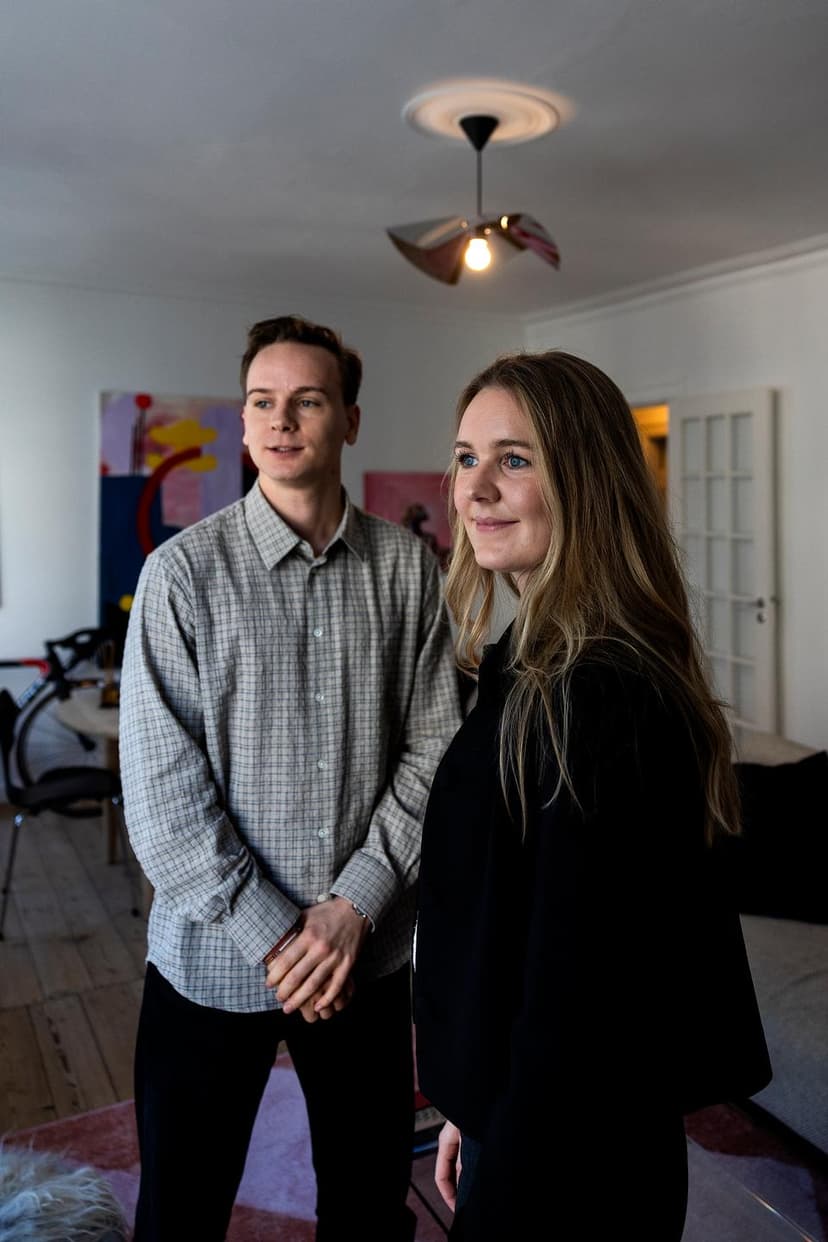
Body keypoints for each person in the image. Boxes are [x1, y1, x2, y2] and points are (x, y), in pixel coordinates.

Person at [412, 349, 772, 1240]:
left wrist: (505, 1176)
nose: (475, 489)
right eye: (466, 457)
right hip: (525, 1123)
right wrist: (472, 1106)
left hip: (567, 1164)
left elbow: (576, 1003)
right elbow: (519, 926)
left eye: (515, 459)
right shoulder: (531, 660)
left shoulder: (596, 693)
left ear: (585, 481)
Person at [119, 313, 462, 1242]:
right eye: (262, 401)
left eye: (307, 401)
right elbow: (163, 798)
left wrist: (351, 909)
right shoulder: (179, 575)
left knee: (367, 1207)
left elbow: (436, 752)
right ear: (242, 421)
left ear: (349, 419)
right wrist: (283, 939)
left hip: (365, 954)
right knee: (179, 1213)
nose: (281, 420)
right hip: (210, 962)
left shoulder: (408, 570)